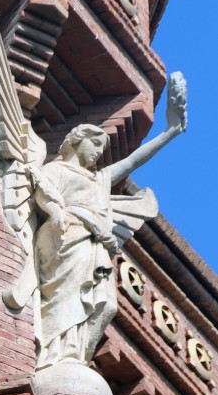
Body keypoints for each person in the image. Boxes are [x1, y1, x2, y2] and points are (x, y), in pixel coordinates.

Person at [34, 87, 186, 370]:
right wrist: (56, 213)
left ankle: (76, 358)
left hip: (94, 247)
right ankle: (54, 356)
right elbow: (45, 195)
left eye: (102, 150)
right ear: (78, 142)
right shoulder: (56, 170)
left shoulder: (99, 179)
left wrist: (171, 132)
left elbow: (131, 161)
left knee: (106, 305)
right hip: (67, 241)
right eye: (95, 147)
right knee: (67, 299)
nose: (98, 154)